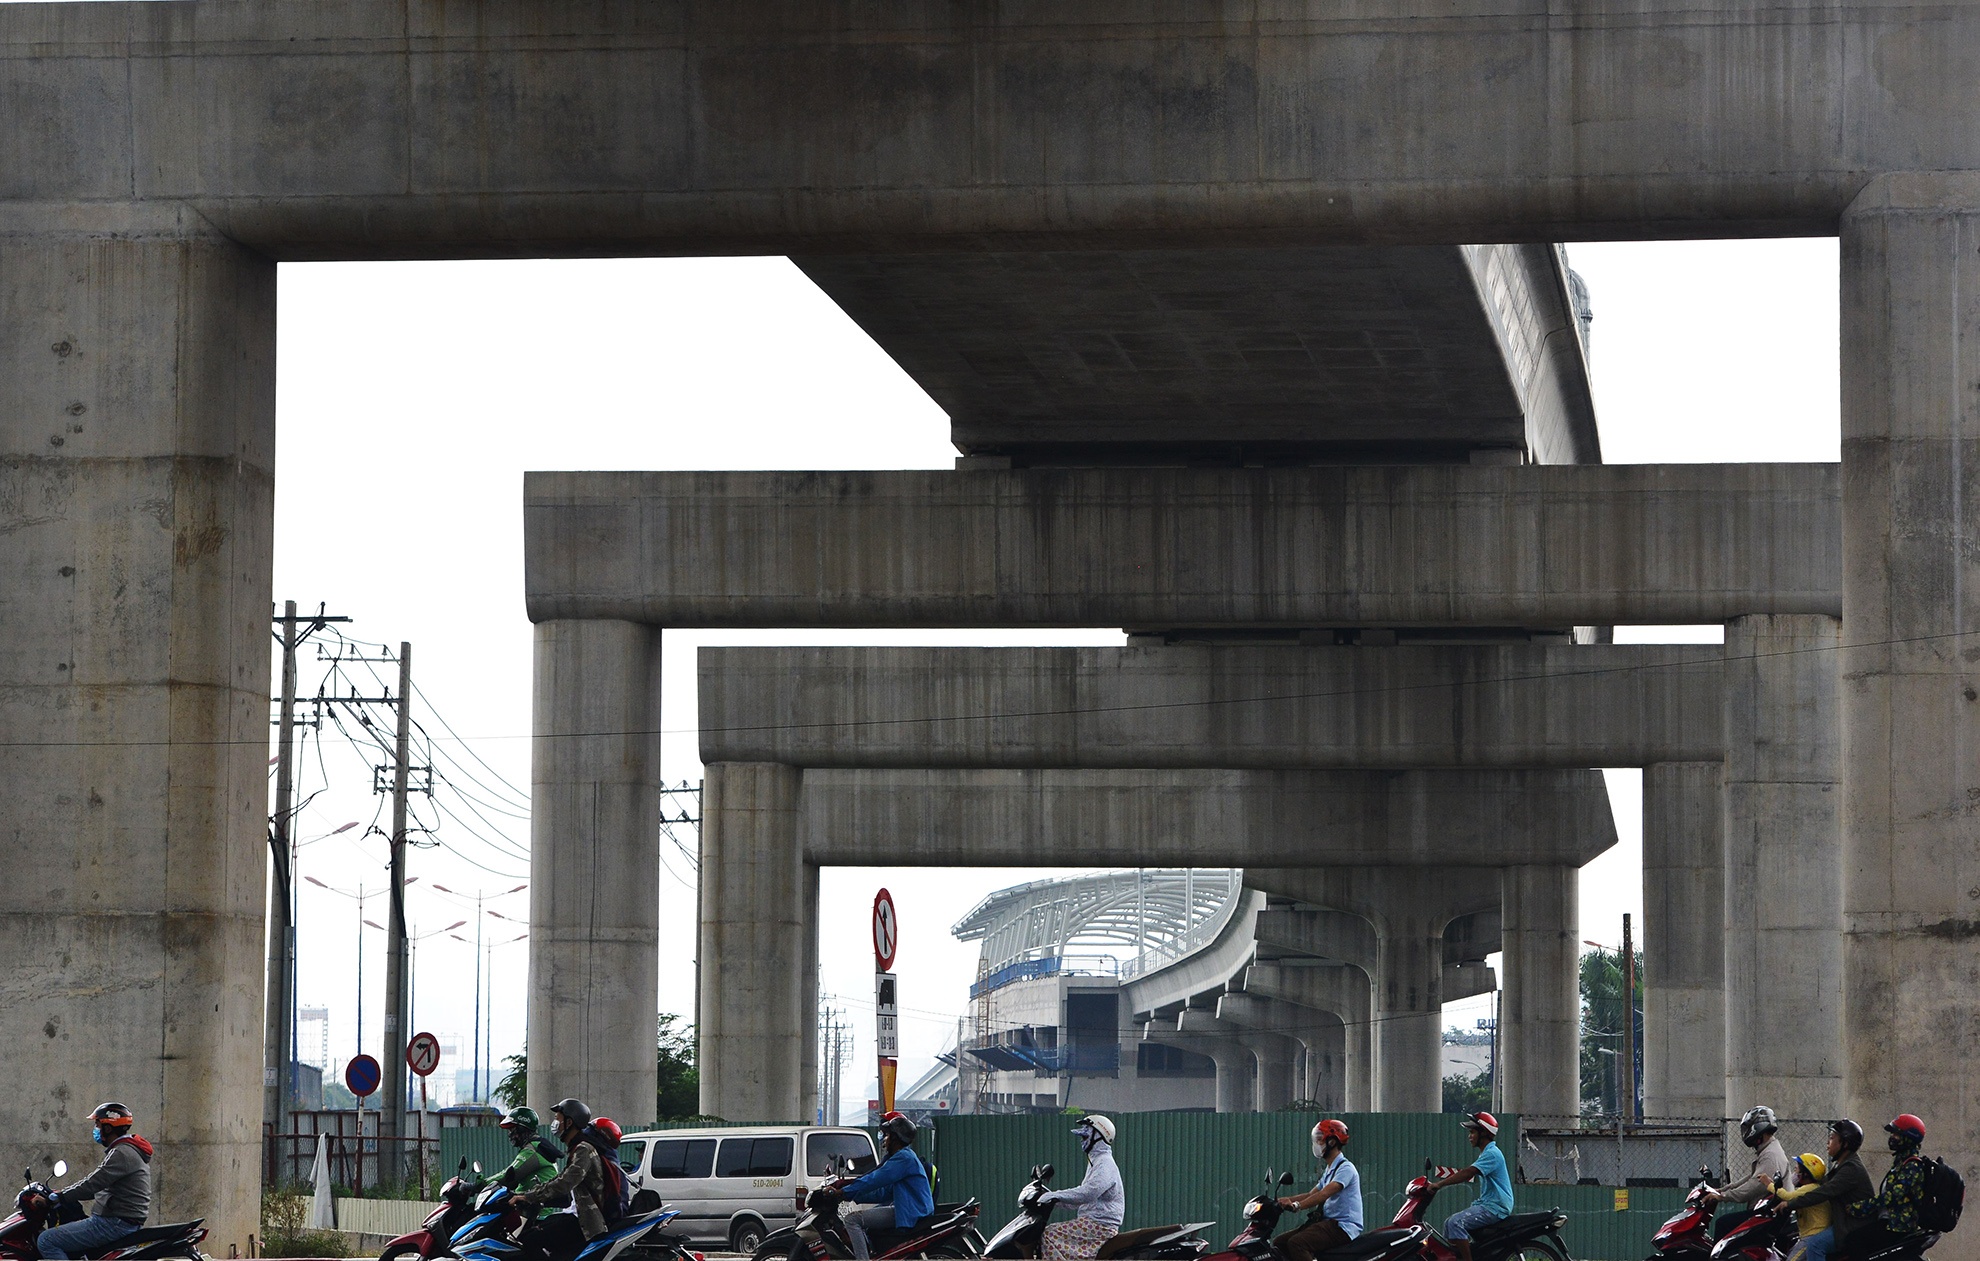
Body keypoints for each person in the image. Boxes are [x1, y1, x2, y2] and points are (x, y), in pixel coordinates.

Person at [38, 1103, 152, 1261]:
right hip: (122, 1220)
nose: (95, 1129)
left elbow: (92, 1184)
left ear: (108, 1128)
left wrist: (59, 1196)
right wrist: (63, 1194)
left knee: (47, 1240)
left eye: (97, 1124)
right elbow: (97, 1185)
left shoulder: (122, 1153)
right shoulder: (126, 1150)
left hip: (114, 1223)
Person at [513, 1099, 611, 1261]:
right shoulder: (577, 1148)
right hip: (575, 1214)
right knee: (533, 1232)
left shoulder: (583, 1150)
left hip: (584, 1220)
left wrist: (528, 1196)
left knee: (529, 1240)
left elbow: (564, 1183)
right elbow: (560, 1179)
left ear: (569, 1122)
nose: (555, 1123)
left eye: (558, 1119)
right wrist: (533, 1196)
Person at [1767, 1121, 1874, 1261]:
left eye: (1832, 1138)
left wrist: (1790, 1203)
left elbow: (1824, 1191)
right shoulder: (1843, 1164)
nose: (1828, 1142)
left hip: (1853, 1225)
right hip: (1843, 1221)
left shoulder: (1851, 1168)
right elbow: (1821, 1183)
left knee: (1814, 1244)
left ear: (1845, 1144)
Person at [835, 1113, 934, 1261]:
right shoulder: (902, 1157)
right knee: (866, 1221)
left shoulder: (903, 1158)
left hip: (911, 1211)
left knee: (852, 1220)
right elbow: (883, 1193)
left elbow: (875, 1179)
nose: (884, 1139)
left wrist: (844, 1192)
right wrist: (854, 1195)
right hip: (907, 1208)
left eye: (887, 1135)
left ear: (895, 1138)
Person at [1838, 1115, 1932, 1260]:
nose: (1892, 1137)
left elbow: (1891, 1197)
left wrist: (1859, 1208)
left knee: (1854, 1240)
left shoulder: (1912, 1166)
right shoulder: (1901, 1163)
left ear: (1908, 1138)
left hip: (1898, 1225)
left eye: (1897, 1134)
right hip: (1889, 1222)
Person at [1038, 1115, 1124, 1261]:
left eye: (1085, 1136)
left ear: (1098, 1136)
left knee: (1049, 1234)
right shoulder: (1096, 1161)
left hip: (1100, 1226)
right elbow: (1082, 1199)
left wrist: (1055, 1195)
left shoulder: (1104, 1163)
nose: (1082, 1141)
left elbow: (1088, 1193)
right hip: (1093, 1223)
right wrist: (1054, 1200)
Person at [1429, 1112, 1513, 1261]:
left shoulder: (1492, 1154)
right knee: (1449, 1223)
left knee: (1456, 1222)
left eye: (1472, 1132)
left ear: (1484, 1134)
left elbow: (1468, 1173)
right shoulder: (1487, 1153)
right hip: (1488, 1204)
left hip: (1495, 1207)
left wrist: (1439, 1184)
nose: (1470, 1136)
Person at [1275, 1119, 1362, 1261]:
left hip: (1342, 1226)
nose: (1316, 1144)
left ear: (1332, 1142)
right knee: (1279, 1243)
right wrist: (1282, 1201)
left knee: (1297, 1243)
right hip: (1328, 1224)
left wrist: (1297, 1206)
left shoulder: (1346, 1169)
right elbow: (1311, 1194)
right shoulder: (1330, 1170)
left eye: (1319, 1139)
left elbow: (1324, 1194)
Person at [1707, 1106, 1791, 1239]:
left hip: (1772, 1214)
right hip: (1768, 1212)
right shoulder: (1769, 1150)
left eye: (1747, 1128)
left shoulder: (1770, 1155)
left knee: (1723, 1224)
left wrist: (1723, 1196)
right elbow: (1751, 1178)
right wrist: (1721, 1190)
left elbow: (1754, 1186)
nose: (1745, 1132)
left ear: (1757, 1128)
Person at [495, 1107, 565, 1218]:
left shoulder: (531, 1150)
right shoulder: (537, 1146)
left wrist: (476, 1185)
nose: (510, 1134)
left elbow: (507, 1174)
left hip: (534, 1214)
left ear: (522, 1129)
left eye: (512, 1130)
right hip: (528, 1208)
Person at [1769, 1152, 1833, 1261]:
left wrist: (1768, 1184)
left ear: (1806, 1174)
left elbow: (1788, 1196)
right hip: (1808, 1235)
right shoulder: (1810, 1188)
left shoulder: (1810, 1188)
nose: (1795, 1172)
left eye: (1797, 1170)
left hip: (1812, 1236)